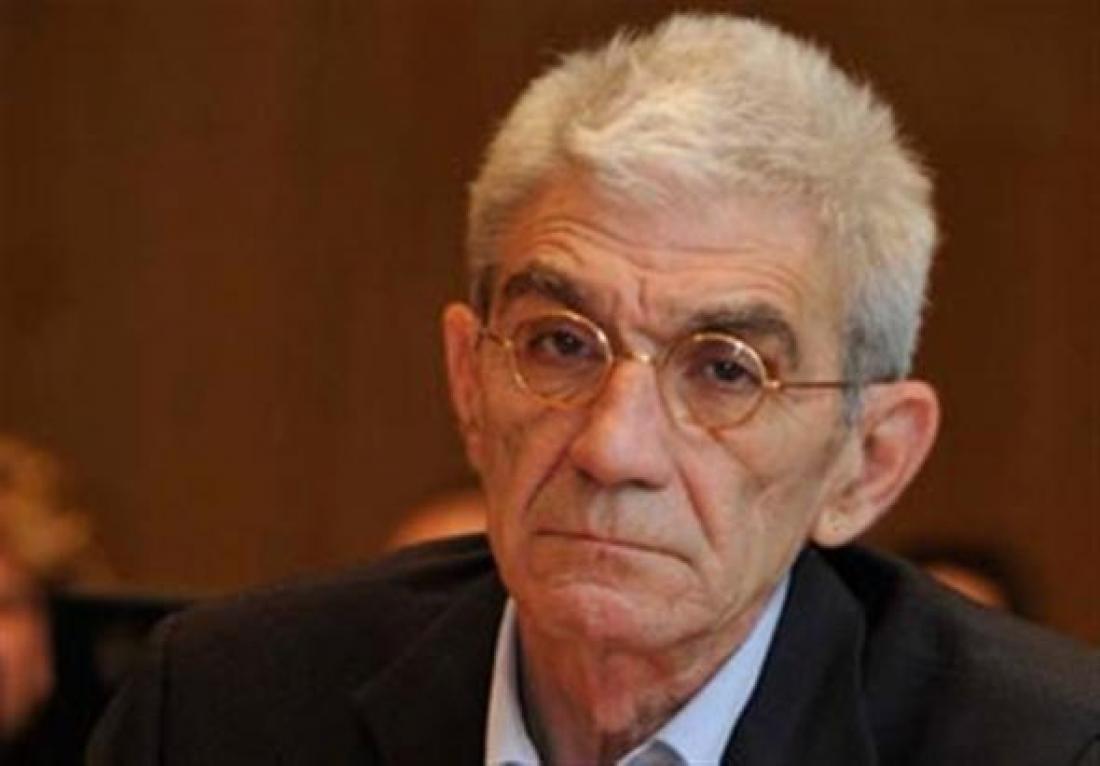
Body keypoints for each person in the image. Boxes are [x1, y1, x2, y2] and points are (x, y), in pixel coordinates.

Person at [89, 14, 1099, 765]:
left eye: (724, 371)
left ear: (866, 463)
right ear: (469, 380)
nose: (613, 448)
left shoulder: (1044, 748)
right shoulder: (222, 711)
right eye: (562, 345)